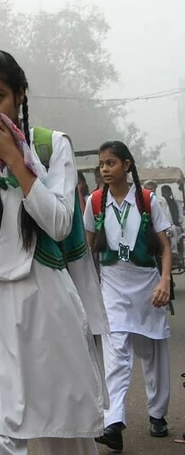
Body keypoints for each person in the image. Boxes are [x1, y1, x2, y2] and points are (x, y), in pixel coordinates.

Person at [0, 50, 105, 455]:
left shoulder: (53, 147)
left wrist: (17, 160)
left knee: (64, 432)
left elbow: (59, 224)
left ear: (20, 94)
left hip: (46, 306)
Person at [84, 142, 173, 449]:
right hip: (112, 287)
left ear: (126, 164)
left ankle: (158, 414)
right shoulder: (95, 201)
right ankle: (113, 423)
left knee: (152, 354)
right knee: (116, 354)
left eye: (111, 163)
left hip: (148, 286)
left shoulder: (147, 200)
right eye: (102, 164)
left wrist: (164, 282)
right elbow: (87, 249)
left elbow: (164, 247)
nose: (105, 169)